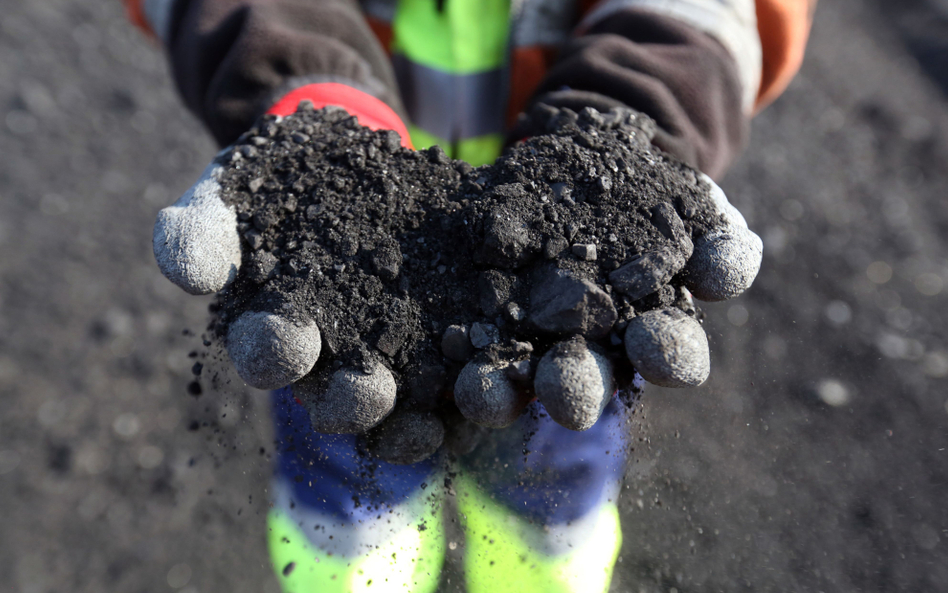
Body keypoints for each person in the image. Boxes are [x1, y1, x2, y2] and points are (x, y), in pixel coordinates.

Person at [124, 0, 815, 591]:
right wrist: (306, 99)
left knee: (556, 461)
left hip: (564, 283)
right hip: (339, 278)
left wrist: (641, 105)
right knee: (346, 471)